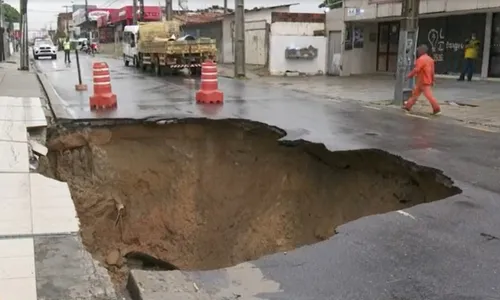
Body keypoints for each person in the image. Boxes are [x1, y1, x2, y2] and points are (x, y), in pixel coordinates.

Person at [403, 44, 441, 115]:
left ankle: (437, 109)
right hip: (426, 80)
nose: (417, 52)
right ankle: (408, 106)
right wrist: (433, 80)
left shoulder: (420, 60)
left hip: (422, 81)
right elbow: (432, 72)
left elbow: (416, 69)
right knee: (415, 95)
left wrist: (408, 76)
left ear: (421, 51)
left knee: (428, 96)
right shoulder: (430, 59)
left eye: (418, 50)